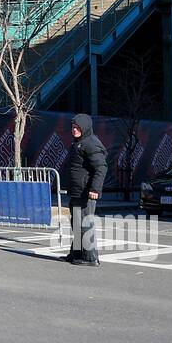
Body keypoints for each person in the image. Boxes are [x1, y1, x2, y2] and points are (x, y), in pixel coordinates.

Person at [65, 113, 107, 266]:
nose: (74, 130)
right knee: (76, 223)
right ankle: (76, 253)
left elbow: (101, 167)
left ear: (85, 128)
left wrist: (95, 189)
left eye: (77, 128)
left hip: (86, 191)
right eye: (73, 127)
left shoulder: (91, 143)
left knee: (84, 223)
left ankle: (90, 258)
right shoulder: (78, 142)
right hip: (77, 191)